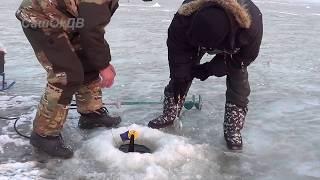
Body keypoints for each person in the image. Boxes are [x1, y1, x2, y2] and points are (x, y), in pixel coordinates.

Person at [148, 0, 263, 150]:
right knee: (181, 74)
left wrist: (210, 69)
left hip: (233, 41)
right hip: (193, 35)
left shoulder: (250, 25)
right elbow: (178, 48)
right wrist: (179, 75)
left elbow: (241, 60)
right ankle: (171, 110)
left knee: (238, 77)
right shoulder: (185, 15)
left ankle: (232, 126)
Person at [16, 0, 121, 158]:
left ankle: (91, 114)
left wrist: (102, 62)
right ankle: (44, 135)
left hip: (68, 19)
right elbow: (91, 31)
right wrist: (104, 66)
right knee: (66, 75)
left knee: (88, 60)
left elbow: (92, 28)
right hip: (40, 17)